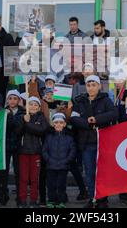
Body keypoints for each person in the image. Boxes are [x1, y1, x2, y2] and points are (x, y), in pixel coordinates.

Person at [70, 75, 118, 208]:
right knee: (90, 172)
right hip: (86, 143)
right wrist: (87, 122)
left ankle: (103, 199)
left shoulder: (106, 100)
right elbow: (74, 118)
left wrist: (96, 119)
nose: (91, 88)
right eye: (88, 85)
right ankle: (92, 198)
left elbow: (114, 114)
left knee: (102, 172)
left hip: (102, 142)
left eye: (93, 85)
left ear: (99, 86)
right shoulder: (80, 101)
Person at [16, 96, 49, 208]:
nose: (33, 106)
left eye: (35, 105)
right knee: (23, 178)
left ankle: (34, 200)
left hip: (36, 152)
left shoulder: (42, 118)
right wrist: (23, 121)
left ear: (39, 107)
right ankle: (23, 200)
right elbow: (17, 132)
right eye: (31, 104)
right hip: (23, 151)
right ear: (26, 106)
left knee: (35, 178)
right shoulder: (22, 117)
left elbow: (40, 131)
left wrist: (28, 124)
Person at [42, 113, 76, 208]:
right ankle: (51, 200)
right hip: (51, 165)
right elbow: (44, 150)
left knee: (61, 185)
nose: (58, 124)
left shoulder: (69, 138)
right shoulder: (49, 137)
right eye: (56, 122)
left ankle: (61, 201)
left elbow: (72, 151)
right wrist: (49, 160)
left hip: (63, 166)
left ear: (65, 124)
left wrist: (66, 160)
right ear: (53, 124)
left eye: (61, 122)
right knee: (51, 184)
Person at [2, 89, 25, 206]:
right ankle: (3, 194)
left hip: (18, 146)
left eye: (15, 98)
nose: (12, 101)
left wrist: (10, 116)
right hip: (5, 146)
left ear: (19, 100)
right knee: (3, 172)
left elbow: (18, 129)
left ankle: (20, 197)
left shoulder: (23, 113)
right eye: (10, 98)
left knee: (18, 172)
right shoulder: (2, 112)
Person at [0, 19, 15, 104]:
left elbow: (12, 51)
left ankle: (2, 104)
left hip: (4, 66)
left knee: (3, 87)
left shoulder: (7, 36)